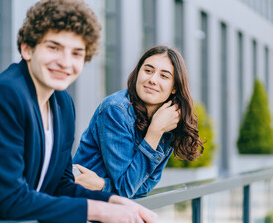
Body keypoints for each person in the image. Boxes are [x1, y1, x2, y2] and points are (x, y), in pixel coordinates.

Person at [0, 0, 158, 223]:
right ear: (27, 48)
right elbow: (10, 198)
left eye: (76, 53)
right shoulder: (4, 95)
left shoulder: (62, 103)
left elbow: (59, 186)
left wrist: (115, 201)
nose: (65, 62)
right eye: (54, 47)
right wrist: (100, 210)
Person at [73, 46, 204, 198]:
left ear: (174, 87)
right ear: (138, 74)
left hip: (112, 211)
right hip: (81, 207)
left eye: (164, 76)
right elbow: (127, 189)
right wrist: (154, 133)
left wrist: (103, 185)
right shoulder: (115, 110)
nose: (153, 80)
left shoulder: (166, 119)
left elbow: (145, 186)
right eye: (148, 71)